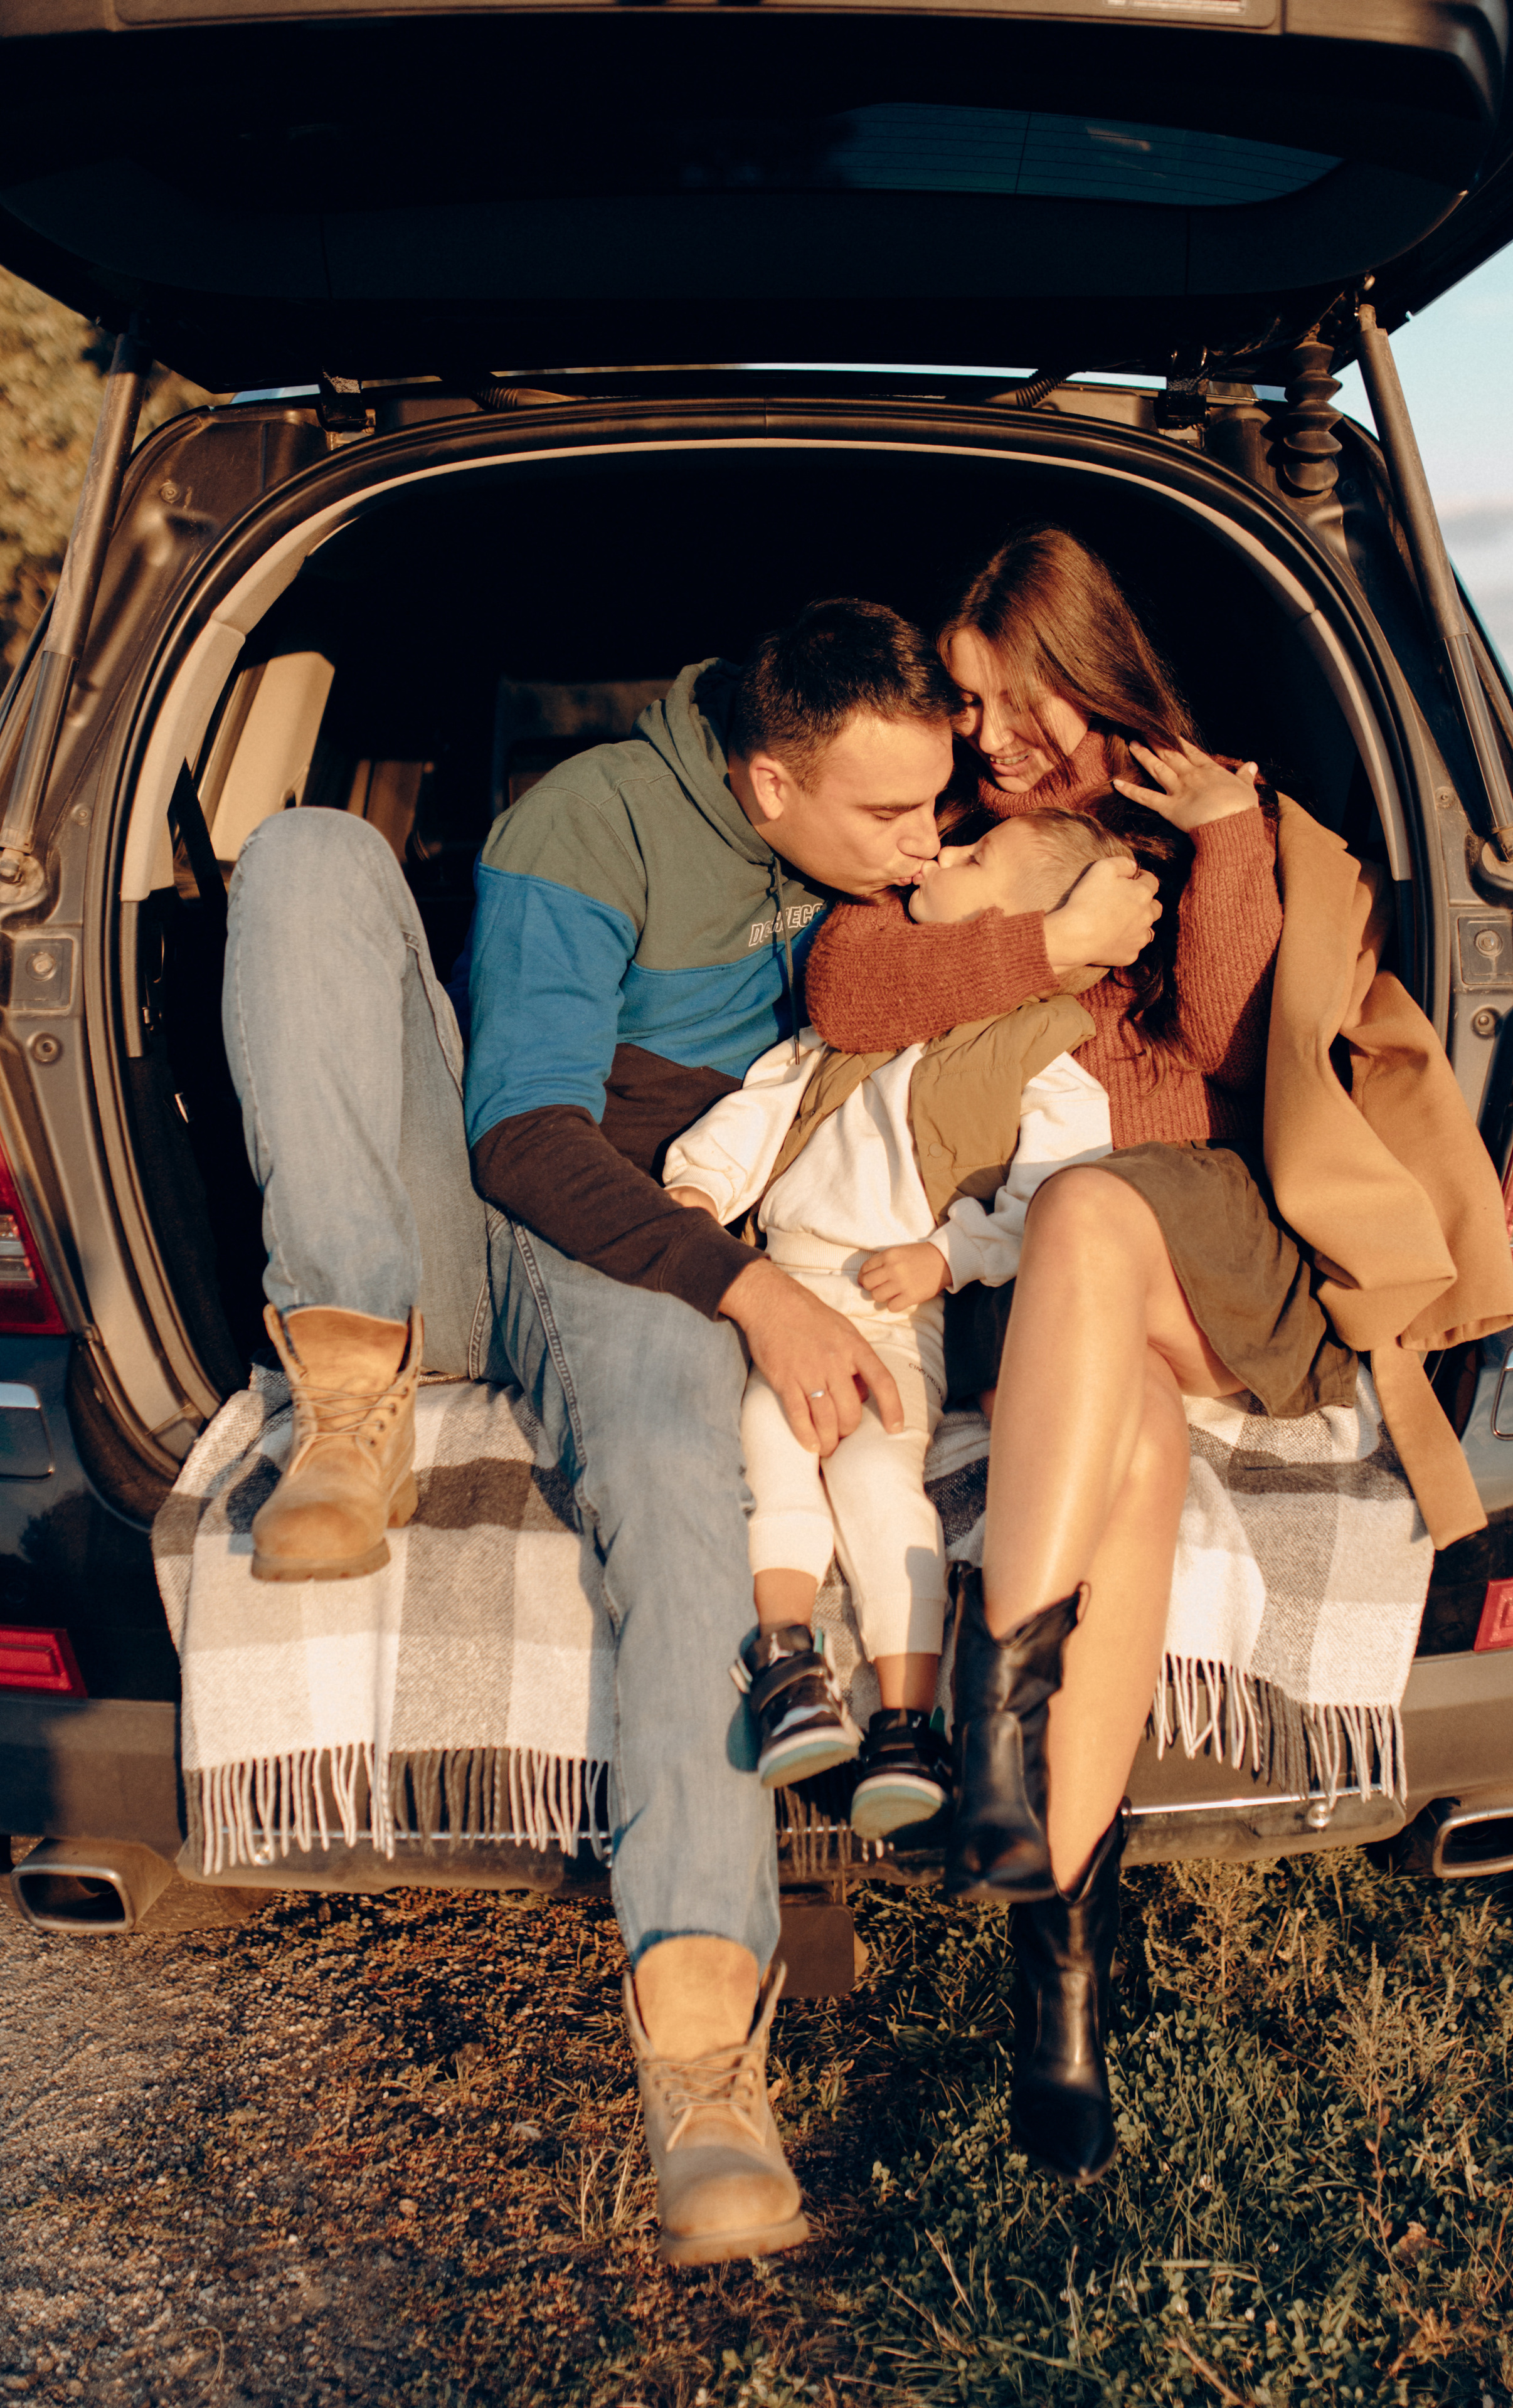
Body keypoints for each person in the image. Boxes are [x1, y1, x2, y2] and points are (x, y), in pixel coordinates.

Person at [221, 593, 1164, 2264]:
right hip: (505, 1187)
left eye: (934, 803)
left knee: (673, 1482)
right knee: (302, 852)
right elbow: (519, 1135)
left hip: (654, 1253)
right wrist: (756, 1294)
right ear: (766, 785)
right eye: (886, 813)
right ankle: (355, 1385)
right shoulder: (586, 819)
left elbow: (948, 1001)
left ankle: (708, 2073)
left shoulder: (880, 882)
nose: (926, 832)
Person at [802, 524, 1513, 2192]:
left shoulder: (1211, 824)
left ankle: (997, 1708)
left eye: (1002, 703)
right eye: (967, 712)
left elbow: (1216, 1053)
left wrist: (1227, 847)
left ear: (1082, 665)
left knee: (1096, 1215)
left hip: (1221, 1261)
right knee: (1114, 1428)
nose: (982, 743)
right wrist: (1035, 950)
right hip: (1072, 1323)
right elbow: (847, 986)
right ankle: (1058, 1962)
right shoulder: (973, 854)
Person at [661, 811, 1129, 1839]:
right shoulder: (857, 1018)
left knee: (877, 1477)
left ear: (1021, 921)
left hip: (893, 1305)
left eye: (975, 859)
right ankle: (788, 1661)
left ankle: (905, 1718)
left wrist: (953, 1254)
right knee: (771, 1450)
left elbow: (1062, 1195)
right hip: (785, 1281)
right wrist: (698, 1191)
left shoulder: (1044, 1053)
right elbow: (763, 1103)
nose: (943, 854)